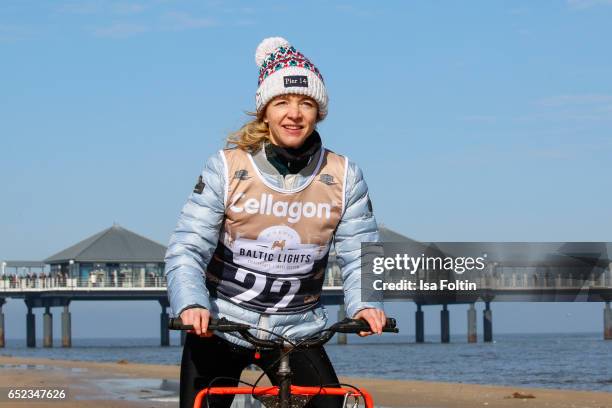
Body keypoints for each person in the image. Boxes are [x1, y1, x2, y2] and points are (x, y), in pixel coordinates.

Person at [165, 37, 385, 408]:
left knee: (329, 403)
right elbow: (187, 246)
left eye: (306, 103)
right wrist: (191, 304)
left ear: (319, 113)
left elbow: (361, 250)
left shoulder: (344, 174)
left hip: (298, 328)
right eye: (281, 102)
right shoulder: (227, 166)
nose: (294, 114)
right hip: (223, 322)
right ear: (264, 112)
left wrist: (365, 304)